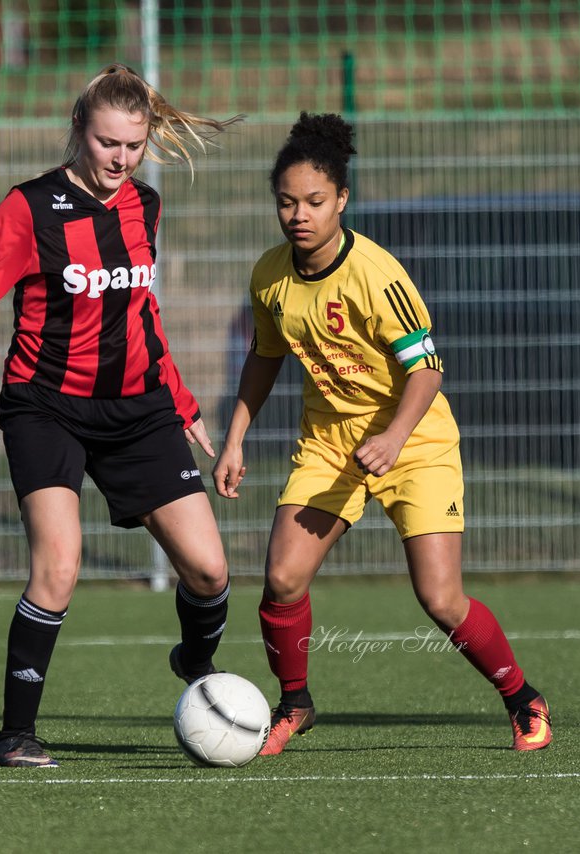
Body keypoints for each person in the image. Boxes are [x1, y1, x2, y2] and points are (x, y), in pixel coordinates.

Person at [0, 63, 241, 768]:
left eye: (132, 146)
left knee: (210, 573)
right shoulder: (30, 208)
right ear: (78, 132)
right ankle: (15, 736)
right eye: (107, 144)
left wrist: (181, 401)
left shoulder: (145, 206)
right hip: (47, 409)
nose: (120, 160)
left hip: (139, 410)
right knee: (59, 567)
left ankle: (193, 662)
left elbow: (143, 315)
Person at [213, 112, 552, 756]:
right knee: (282, 578)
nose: (299, 215)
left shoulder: (376, 273)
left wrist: (394, 439)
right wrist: (235, 439)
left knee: (440, 596)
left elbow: (425, 370)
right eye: (286, 202)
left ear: (342, 199)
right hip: (331, 442)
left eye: (315, 201)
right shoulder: (270, 276)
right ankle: (295, 703)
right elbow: (265, 356)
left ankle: (523, 698)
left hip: (414, 440)